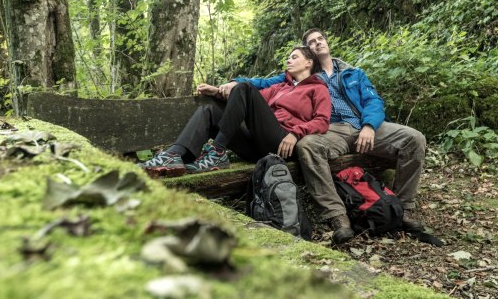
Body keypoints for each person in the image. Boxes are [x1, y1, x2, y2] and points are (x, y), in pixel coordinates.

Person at [219, 28, 426, 244]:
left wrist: (369, 126)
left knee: (414, 138)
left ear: (326, 42)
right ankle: (337, 216)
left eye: (320, 39)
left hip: (365, 125)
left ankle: (404, 208)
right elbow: (263, 83)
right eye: (311, 42)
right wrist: (235, 82)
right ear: (307, 52)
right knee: (307, 145)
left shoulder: (353, 73)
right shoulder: (304, 76)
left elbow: (373, 102)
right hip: (330, 130)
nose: (318, 43)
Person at [140, 46, 331, 177]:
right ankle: (174, 156)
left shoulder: (317, 88)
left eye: (294, 57)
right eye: (289, 57)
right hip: (256, 147)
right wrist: (217, 92)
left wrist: (295, 134)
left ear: (308, 63)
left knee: (245, 87)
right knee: (209, 111)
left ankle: (216, 152)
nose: (289, 60)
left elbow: (322, 121)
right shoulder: (280, 87)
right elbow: (246, 101)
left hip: (282, 144)